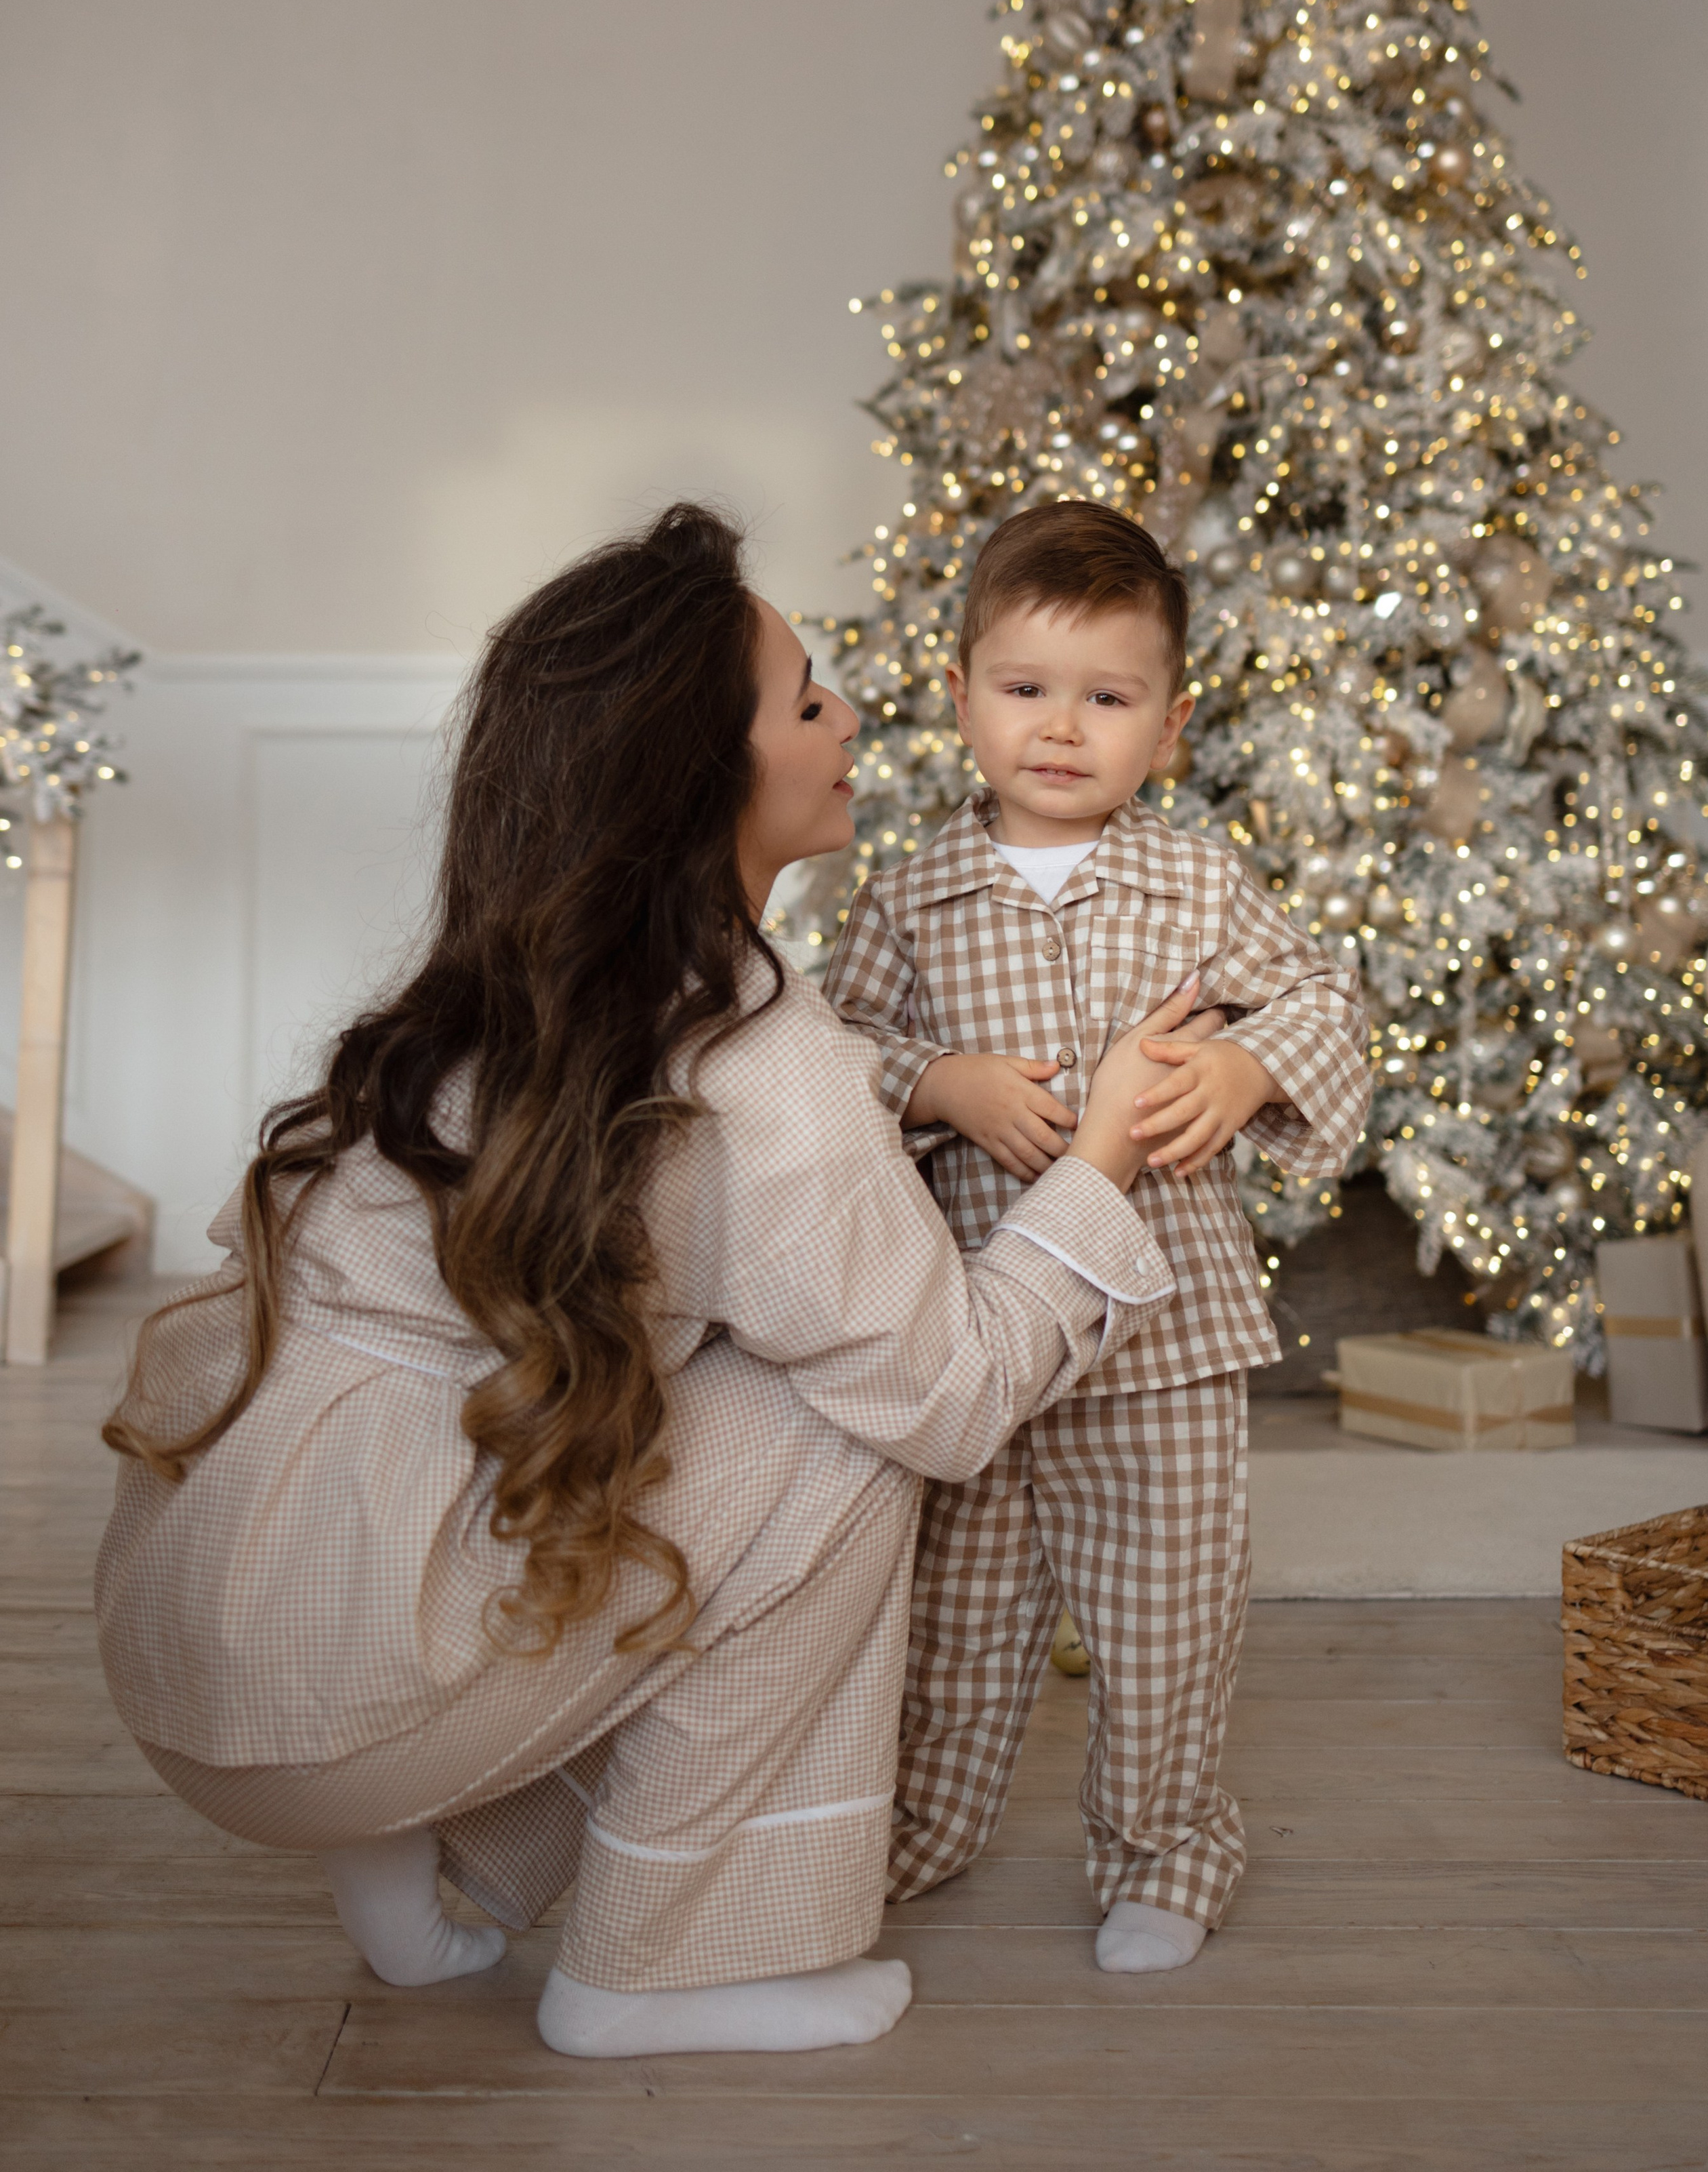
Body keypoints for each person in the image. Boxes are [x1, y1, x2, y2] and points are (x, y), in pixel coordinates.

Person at [96, 502, 1202, 2061]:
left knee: (626, 1394)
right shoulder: (758, 1058)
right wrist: (1098, 1162)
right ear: (703, 774)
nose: (850, 719)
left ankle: (423, 1869)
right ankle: (668, 1966)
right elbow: (951, 1396)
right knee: (845, 1425)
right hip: (343, 1698)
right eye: (806, 701)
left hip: (203, 1648)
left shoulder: (508, 981)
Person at [825, 499, 1371, 1973]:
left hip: (1163, 1341)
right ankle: (915, 1826)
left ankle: (1164, 1848)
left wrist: (1247, 1067)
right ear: (960, 696)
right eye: (1025, 688)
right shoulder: (909, 899)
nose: (1061, 727)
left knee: (1165, 1618)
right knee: (950, 1619)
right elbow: (820, 1060)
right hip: (973, 1338)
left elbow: (1325, 1000)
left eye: (1108, 698)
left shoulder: (1199, 884)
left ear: (1170, 725)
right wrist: (938, 1082)